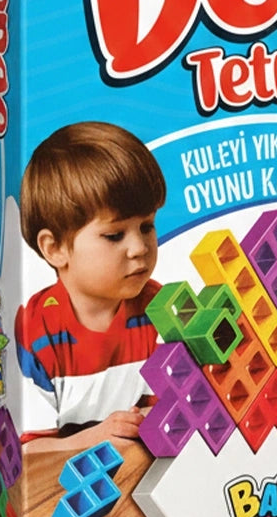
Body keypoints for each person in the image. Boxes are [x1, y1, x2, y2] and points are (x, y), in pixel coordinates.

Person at [15, 121, 166, 448]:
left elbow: (173, 411)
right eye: (114, 235)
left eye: (147, 226)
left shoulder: (158, 309)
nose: (139, 248)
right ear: (55, 248)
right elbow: (27, 453)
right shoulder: (36, 332)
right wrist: (95, 437)